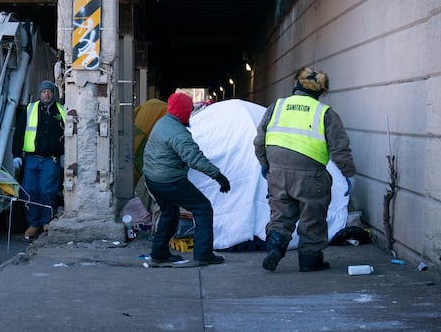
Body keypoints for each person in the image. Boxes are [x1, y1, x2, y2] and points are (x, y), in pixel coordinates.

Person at [254, 67, 357, 272]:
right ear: (320, 91)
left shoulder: (277, 106)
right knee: (313, 216)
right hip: (311, 176)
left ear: (296, 86)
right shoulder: (325, 113)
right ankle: (310, 260)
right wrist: (349, 174)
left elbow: (260, 140)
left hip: (277, 172)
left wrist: (265, 164)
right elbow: (340, 149)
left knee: (281, 214)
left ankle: (275, 245)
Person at [143, 92, 231, 266]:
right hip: (169, 181)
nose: (190, 114)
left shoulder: (163, 123)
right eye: (189, 110)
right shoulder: (178, 134)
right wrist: (218, 176)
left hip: (153, 179)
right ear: (183, 111)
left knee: (170, 212)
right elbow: (194, 158)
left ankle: (159, 253)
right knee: (203, 208)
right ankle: (204, 254)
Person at [12, 80, 66, 241]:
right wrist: (16, 154)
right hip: (32, 159)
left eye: (49, 91)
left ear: (53, 93)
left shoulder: (61, 111)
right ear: (40, 93)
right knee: (29, 191)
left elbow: (69, 135)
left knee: (47, 191)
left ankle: (46, 221)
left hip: (51, 159)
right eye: (44, 91)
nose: (46, 94)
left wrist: (65, 155)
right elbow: (20, 133)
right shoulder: (30, 109)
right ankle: (34, 223)